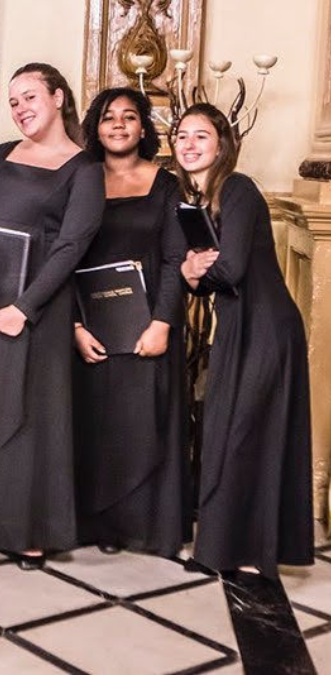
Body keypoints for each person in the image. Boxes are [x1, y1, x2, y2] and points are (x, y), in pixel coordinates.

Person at [0, 63, 104, 569]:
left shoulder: (84, 168)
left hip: (35, 312)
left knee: (29, 417)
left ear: (58, 97)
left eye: (30, 96)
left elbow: (71, 248)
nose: (20, 109)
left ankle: (28, 529)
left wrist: (25, 308)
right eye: (13, 102)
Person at [176, 103, 313, 577]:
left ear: (222, 145)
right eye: (182, 136)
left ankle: (241, 551)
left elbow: (230, 269)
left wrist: (191, 274)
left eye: (201, 136)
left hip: (267, 327)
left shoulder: (238, 189)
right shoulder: (197, 198)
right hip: (239, 322)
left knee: (244, 433)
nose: (189, 145)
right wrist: (190, 268)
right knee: (229, 430)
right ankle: (229, 549)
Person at [73, 87, 189, 557]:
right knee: (94, 422)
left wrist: (162, 322)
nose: (118, 125)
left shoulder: (167, 184)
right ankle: (97, 525)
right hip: (91, 327)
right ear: (94, 128)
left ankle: (143, 527)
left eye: (129, 117)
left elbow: (175, 258)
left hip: (147, 326)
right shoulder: (79, 180)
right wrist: (74, 328)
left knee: (144, 421)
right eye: (108, 117)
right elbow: (62, 257)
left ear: (144, 127)